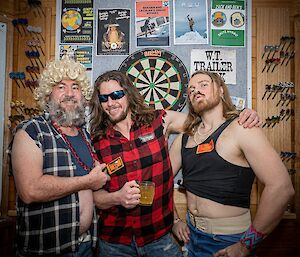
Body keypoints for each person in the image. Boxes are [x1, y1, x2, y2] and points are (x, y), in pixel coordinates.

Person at [88, 70, 260, 257]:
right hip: (114, 242)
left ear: (128, 94)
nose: (111, 103)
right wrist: (117, 198)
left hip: (158, 238)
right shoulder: (97, 141)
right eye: (104, 98)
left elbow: (210, 123)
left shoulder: (159, 120)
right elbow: (95, 197)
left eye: (116, 95)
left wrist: (242, 116)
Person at [170, 70, 295, 257]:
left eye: (203, 84)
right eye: (191, 89)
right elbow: (160, 181)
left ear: (221, 90)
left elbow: (281, 188)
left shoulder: (242, 128)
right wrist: (174, 220)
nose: (196, 90)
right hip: (191, 237)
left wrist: (246, 245)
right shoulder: (184, 138)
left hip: (229, 241)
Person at [8, 56, 109, 257]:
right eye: (61, 87)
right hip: (48, 250)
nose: (70, 94)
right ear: (48, 95)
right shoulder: (31, 131)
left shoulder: (84, 134)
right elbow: (30, 190)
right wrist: (88, 181)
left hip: (85, 245)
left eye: (76, 87)